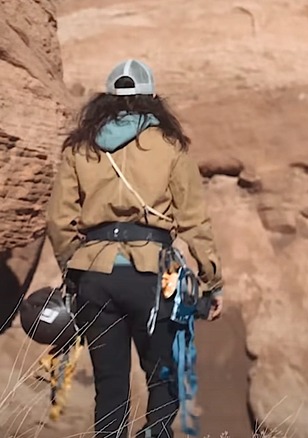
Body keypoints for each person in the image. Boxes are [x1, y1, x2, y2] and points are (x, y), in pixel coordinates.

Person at [45, 59, 224, 438]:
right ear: (153, 99)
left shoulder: (80, 148)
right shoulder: (170, 147)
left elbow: (59, 222)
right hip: (151, 277)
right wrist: (212, 280)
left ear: (107, 100)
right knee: (165, 376)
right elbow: (194, 222)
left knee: (110, 386)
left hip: (94, 274)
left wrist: (72, 269)